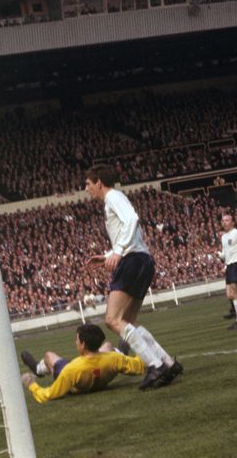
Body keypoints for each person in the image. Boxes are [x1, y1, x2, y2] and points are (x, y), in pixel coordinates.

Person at [84, 165, 181, 390]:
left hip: (132, 260)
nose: (86, 188)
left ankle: (155, 365)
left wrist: (117, 251)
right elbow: (131, 232)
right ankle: (167, 362)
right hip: (141, 259)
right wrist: (109, 254)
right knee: (127, 321)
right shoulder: (115, 199)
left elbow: (132, 219)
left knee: (112, 320)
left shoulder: (113, 197)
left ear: (99, 182)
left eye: (88, 184)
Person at [19, 323, 145, 403]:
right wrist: (142, 343)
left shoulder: (71, 370)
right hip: (102, 367)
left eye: (77, 340)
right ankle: (122, 351)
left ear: (83, 344)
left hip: (77, 380)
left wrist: (31, 384)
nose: (75, 342)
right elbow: (140, 365)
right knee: (108, 346)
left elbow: (48, 395)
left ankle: (38, 369)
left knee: (49, 356)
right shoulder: (114, 359)